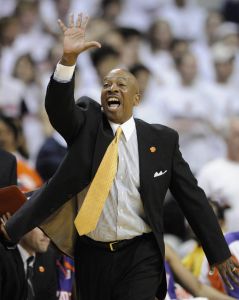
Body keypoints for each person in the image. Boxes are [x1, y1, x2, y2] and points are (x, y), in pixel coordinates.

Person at [1, 13, 239, 300]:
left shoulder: (162, 140)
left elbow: (192, 197)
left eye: (121, 85)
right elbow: (58, 108)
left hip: (140, 252)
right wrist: (67, 61)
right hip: (91, 253)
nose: (112, 89)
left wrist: (218, 251)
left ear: (136, 99)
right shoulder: (87, 124)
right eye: (106, 86)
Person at [0, 226, 58, 300]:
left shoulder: (48, 256)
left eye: (49, 225)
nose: (47, 234)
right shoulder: (3, 256)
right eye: (40, 227)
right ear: (22, 224)